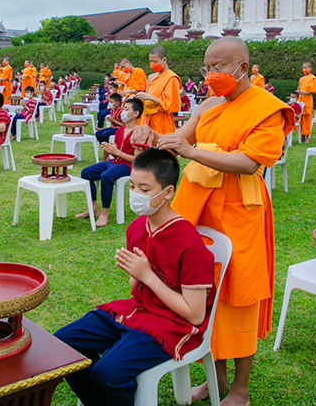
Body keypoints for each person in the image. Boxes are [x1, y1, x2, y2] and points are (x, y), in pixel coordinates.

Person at [140, 37, 294, 406]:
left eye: (218, 67)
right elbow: (179, 140)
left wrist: (193, 153)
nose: (210, 75)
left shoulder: (266, 108)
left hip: (242, 210)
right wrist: (152, 137)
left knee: (239, 296)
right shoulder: (209, 105)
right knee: (205, 290)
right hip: (201, 207)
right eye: (206, 68)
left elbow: (252, 162)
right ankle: (215, 378)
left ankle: (239, 389)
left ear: (242, 68)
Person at [55, 148, 215, 406]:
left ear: (168, 192)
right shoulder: (138, 226)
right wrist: (136, 274)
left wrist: (148, 276)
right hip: (138, 311)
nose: (135, 195)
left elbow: (195, 315)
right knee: (63, 345)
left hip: (173, 324)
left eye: (144, 189)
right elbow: (135, 287)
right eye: (132, 186)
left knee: (107, 373)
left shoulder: (188, 242)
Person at [78, 98, 145, 228]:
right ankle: (93, 208)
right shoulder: (120, 131)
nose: (123, 112)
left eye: (126, 110)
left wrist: (117, 153)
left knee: (106, 176)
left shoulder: (139, 132)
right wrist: (110, 150)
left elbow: (137, 159)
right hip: (115, 161)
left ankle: (105, 213)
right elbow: (117, 153)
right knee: (86, 172)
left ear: (136, 113)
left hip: (129, 165)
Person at [136, 46, 181, 135]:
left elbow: (167, 105)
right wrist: (138, 97)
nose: (152, 64)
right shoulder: (151, 77)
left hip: (161, 120)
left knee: (159, 147)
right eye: (150, 61)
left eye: (155, 61)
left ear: (164, 60)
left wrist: (150, 97)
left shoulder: (171, 78)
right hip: (146, 118)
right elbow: (146, 100)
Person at [297, 62, 316, 143]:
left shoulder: (312, 78)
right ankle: (301, 136)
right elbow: (299, 87)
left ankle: (307, 137)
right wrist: (298, 92)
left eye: (306, 67)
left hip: (307, 99)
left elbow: (313, 90)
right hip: (300, 99)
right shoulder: (301, 79)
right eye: (303, 67)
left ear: (310, 68)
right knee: (300, 118)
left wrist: (304, 93)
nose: (304, 69)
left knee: (307, 118)